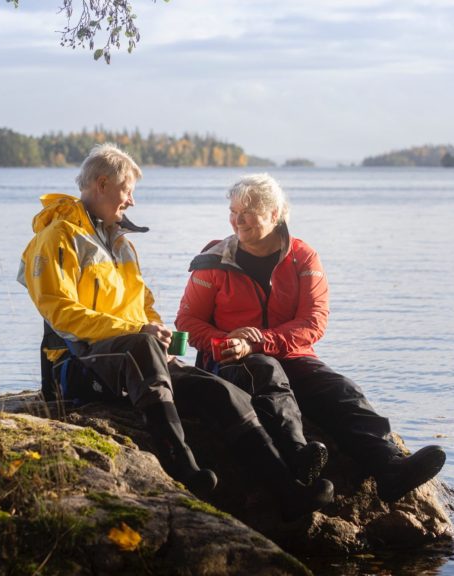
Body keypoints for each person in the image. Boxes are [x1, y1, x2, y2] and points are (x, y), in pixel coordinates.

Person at [18, 144, 334, 520]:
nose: (132, 201)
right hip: (74, 363)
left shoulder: (120, 242)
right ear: (102, 184)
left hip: (135, 356)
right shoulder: (55, 238)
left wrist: (156, 331)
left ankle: (288, 489)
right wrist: (138, 330)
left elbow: (143, 304)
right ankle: (182, 469)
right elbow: (61, 313)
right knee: (141, 348)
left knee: (222, 391)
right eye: (127, 191)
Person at [175, 172, 446, 502]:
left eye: (247, 211)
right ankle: (298, 456)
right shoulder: (213, 260)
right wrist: (228, 343)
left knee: (342, 390)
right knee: (265, 371)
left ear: (275, 214)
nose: (237, 220)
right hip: (231, 361)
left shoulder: (303, 257)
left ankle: (390, 468)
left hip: (291, 355)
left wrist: (259, 340)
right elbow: (188, 322)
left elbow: (313, 322)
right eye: (233, 211)